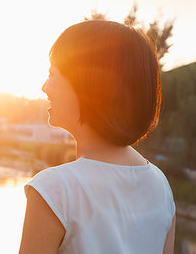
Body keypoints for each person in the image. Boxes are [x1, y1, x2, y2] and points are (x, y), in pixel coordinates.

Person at [19, 20, 176, 254]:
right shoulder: (160, 187)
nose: (44, 87)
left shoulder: (54, 190)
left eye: (52, 74)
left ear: (86, 84)